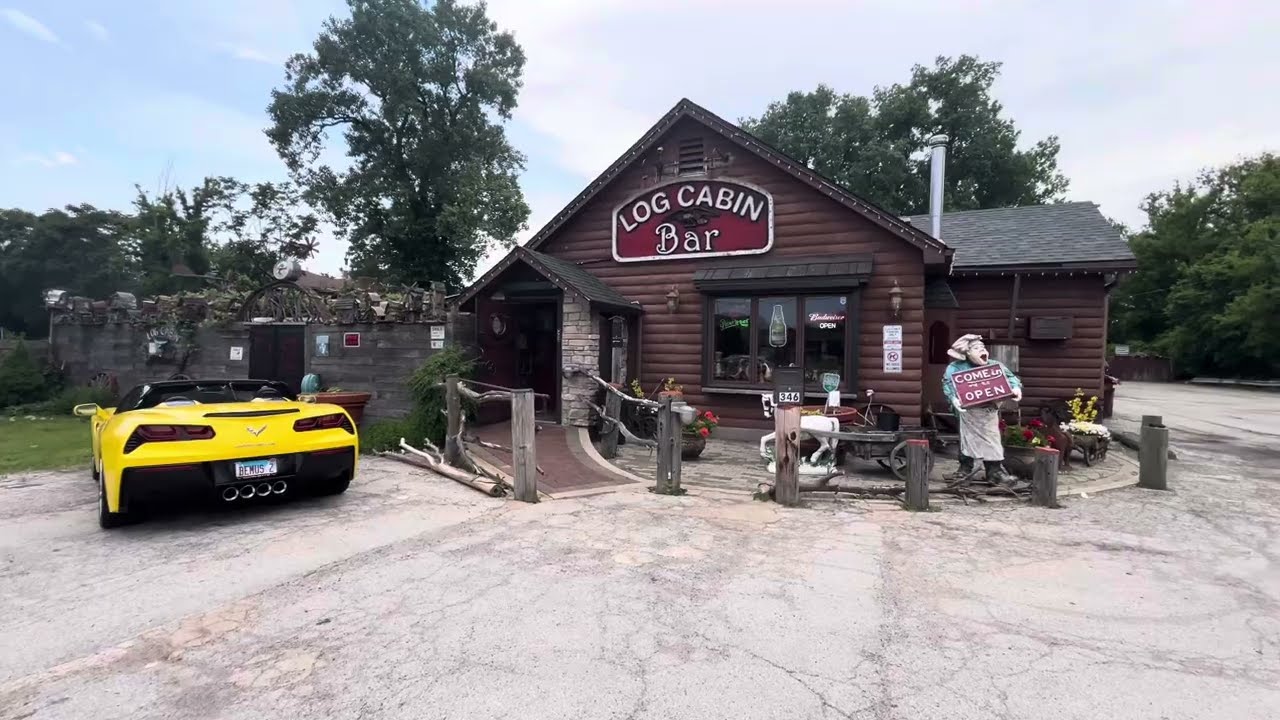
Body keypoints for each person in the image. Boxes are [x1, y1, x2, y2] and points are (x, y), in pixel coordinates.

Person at [942, 334, 1022, 485]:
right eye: (976, 348)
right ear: (967, 353)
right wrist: (954, 398)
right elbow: (948, 383)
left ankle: (995, 472)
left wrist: (1016, 388)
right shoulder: (956, 367)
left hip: (989, 411)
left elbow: (1010, 378)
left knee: (992, 439)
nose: (981, 350)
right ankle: (965, 469)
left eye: (983, 348)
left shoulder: (993, 365)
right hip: (968, 413)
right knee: (968, 440)